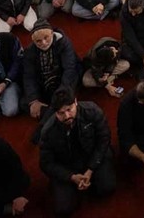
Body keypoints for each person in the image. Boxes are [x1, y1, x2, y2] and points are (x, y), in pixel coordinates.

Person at [37, 87, 116, 217]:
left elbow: (104, 139)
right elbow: (46, 164)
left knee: (107, 188)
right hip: (67, 167)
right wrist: (71, 177)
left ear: (76, 102)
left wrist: (90, 169)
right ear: (55, 112)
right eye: (61, 113)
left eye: (69, 109)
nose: (67, 116)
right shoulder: (47, 131)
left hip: (92, 157)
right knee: (63, 209)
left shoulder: (92, 111)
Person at [22, 23, 80, 120]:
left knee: (65, 96)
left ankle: (54, 113)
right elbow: (29, 76)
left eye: (46, 38)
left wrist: (60, 95)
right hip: (45, 83)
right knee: (25, 103)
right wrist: (34, 100)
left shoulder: (64, 43)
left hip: (63, 80)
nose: (44, 43)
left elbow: (69, 69)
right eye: (38, 41)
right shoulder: (29, 51)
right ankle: (58, 113)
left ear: (52, 33)